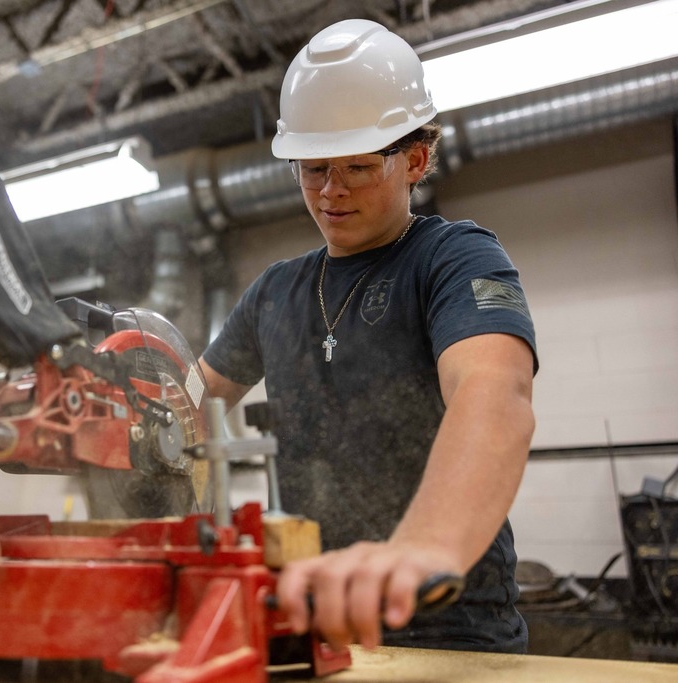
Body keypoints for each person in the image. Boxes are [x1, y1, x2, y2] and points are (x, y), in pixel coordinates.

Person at [198, 19, 537, 654]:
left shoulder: (455, 259)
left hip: (453, 630)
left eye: (356, 166)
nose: (330, 190)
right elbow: (191, 402)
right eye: (314, 168)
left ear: (416, 158)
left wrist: (425, 547)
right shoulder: (274, 293)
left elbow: (495, 394)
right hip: (323, 626)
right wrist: (100, 417)